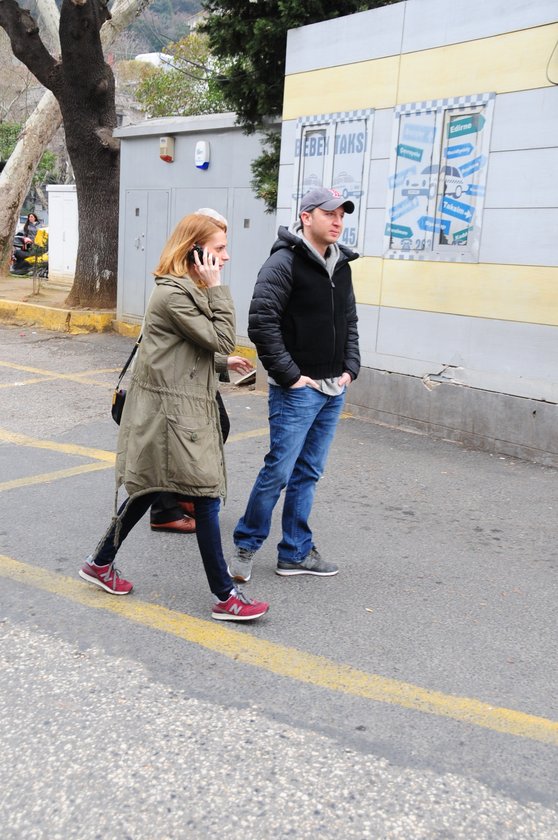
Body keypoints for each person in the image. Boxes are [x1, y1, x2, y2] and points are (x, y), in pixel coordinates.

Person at [78, 212, 269, 622]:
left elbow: (181, 352)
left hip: (176, 410)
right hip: (173, 416)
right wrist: (218, 290)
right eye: (219, 249)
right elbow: (220, 336)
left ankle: (99, 563)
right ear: (195, 251)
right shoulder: (175, 295)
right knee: (205, 494)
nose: (226, 257)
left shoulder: (182, 290)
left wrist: (223, 364)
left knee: (151, 488)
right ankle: (226, 596)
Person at [229, 187, 360, 583]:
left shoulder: (342, 264)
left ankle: (295, 552)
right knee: (279, 472)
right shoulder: (283, 263)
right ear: (306, 217)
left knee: (308, 473)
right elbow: (261, 323)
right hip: (298, 391)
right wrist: (290, 376)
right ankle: (246, 545)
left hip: (333, 387)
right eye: (329, 213)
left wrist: (350, 367)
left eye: (342, 215)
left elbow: (349, 321)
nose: (337, 221)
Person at [149, 363, 253, 532]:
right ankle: (163, 511)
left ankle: (183, 494)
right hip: (174, 370)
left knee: (214, 428)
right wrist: (221, 360)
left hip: (194, 370)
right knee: (169, 436)